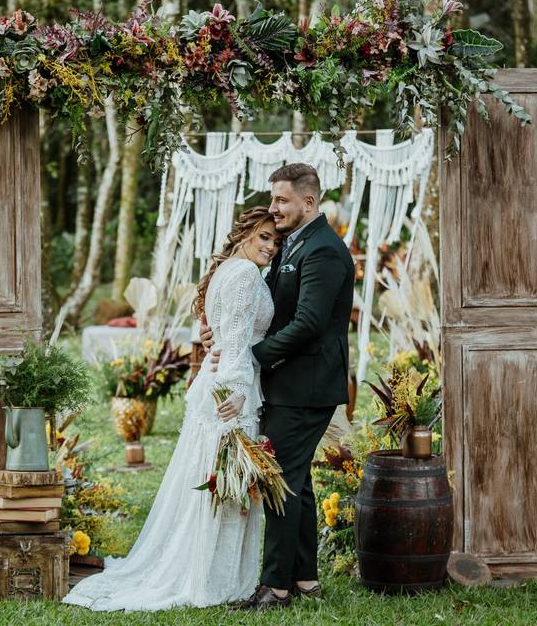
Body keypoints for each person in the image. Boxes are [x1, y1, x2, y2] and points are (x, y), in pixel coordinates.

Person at [63, 206, 282, 611]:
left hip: (217, 385)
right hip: (230, 394)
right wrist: (235, 392)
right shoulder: (245, 275)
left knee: (209, 481)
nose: (270, 245)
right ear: (244, 233)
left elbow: (221, 334)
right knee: (226, 484)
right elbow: (233, 341)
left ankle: (207, 569)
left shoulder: (226, 271)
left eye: (275, 239)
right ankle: (216, 580)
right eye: (263, 236)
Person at [202, 163, 355, 610]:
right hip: (286, 383)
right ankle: (305, 578)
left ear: (309, 202)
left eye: (281, 200)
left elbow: (308, 323)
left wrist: (251, 357)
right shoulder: (294, 243)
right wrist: (222, 334)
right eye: (273, 199)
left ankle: (275, 587)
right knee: (297, 481)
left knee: (280, 481)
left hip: (307, 386)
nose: (274, 209)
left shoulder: (324, 251)